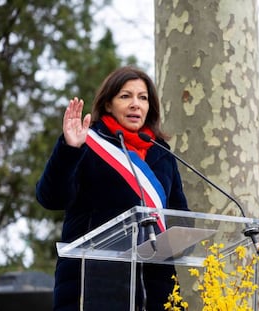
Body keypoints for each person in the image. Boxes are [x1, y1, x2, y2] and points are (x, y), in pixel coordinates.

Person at [36, 66, 189, 311]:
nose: (135, 104)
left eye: (143, 98)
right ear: (108, 104)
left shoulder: (162, 153)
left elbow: (180, 216)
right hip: (92, 285)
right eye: (125, 96)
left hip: (156, 289)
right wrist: (69, 149)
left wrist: (182, 237)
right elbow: (51, 198)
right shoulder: (87, 142)